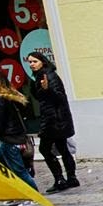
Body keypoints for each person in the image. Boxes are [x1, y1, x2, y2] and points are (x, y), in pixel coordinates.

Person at [0, 68, 38, 206]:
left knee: (18, 170)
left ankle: (33, 196)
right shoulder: (9, 95)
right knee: (1, 168)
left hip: (10, 140)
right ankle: (14, 194)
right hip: (14, 138)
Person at [27, 52, 78, 193]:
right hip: (55, 119)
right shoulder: (38, 78)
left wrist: (47, 89)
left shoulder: (49, 76)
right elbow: (39, 97)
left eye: (34, 61)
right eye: (30, 62)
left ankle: (60, 179)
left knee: (44, 148)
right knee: (62, 148)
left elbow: (60, 97)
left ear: (42, 62)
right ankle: (71, 178)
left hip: (54, 120)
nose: (32, 64)